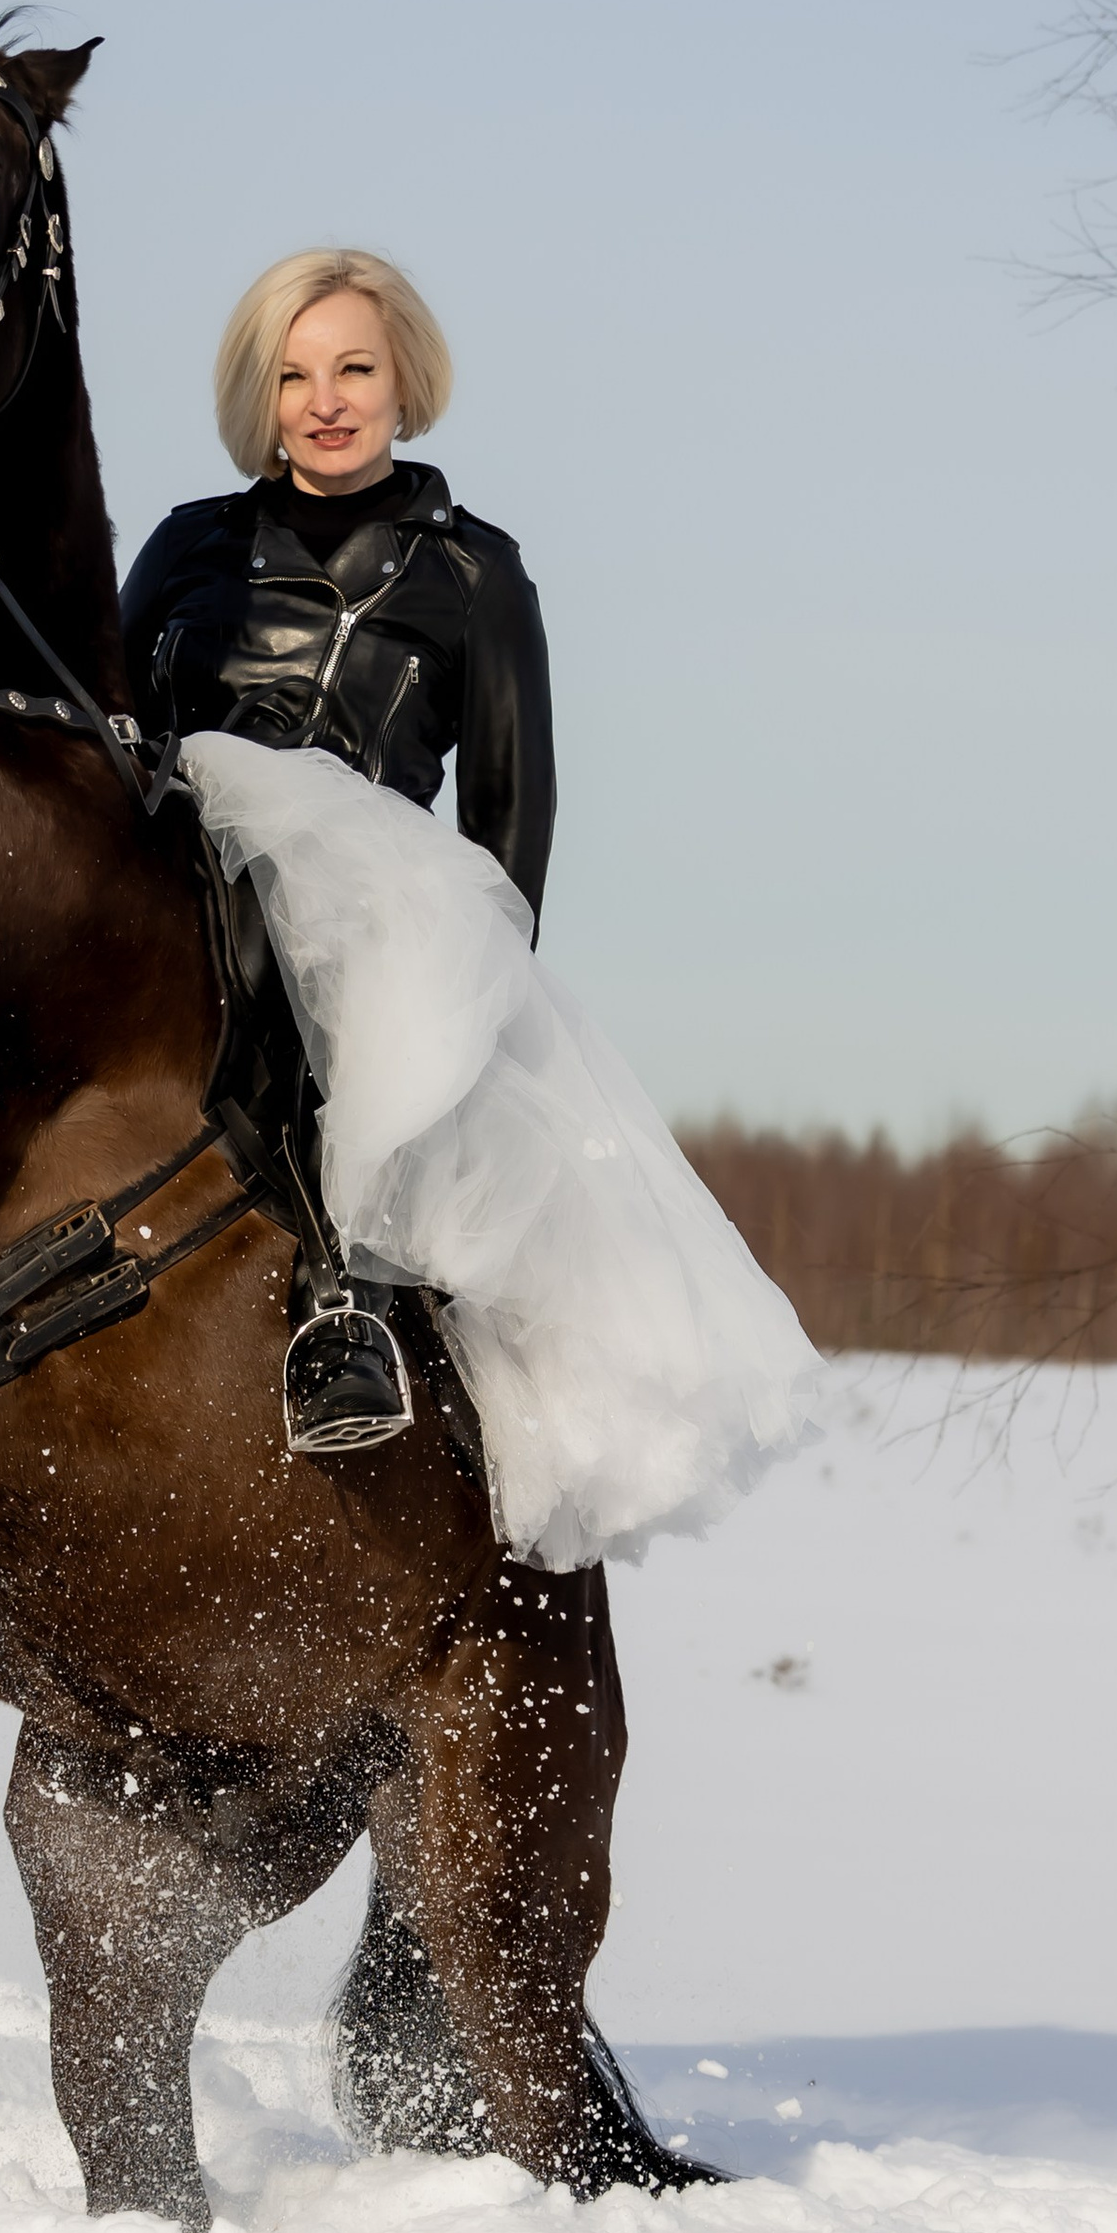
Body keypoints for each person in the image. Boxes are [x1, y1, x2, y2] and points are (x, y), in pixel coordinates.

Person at [122, 244, 819, 1559]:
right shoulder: (187, 547)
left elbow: (512, 814)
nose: (326, 401)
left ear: (405, 381)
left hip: (366, 899)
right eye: (294, 376)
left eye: (354, 369)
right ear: (260, 396)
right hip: (173, 856)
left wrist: (470, 983)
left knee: (332, 949)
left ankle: (347, 1300)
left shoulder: (477, 575)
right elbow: (102, 726)